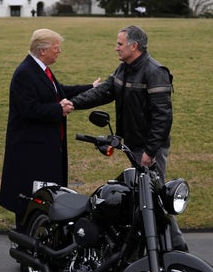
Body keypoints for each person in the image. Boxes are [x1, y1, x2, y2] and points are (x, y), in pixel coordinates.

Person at [64, 25, 186, 249]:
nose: (116, 48)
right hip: (133, 145)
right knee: (141, 194)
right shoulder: (124, 68)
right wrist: (74, 102)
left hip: (149, 149)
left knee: (156, 198)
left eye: (120, 44)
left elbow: (162, 117)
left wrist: (150, 152)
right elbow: (105, 91)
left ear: (134, 46)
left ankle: (176, 247)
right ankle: (143, 243)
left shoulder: (154, 72)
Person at [0, 28, 99, 228]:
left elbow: (60, 91)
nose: (59, 51)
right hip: (31, 151)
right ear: (42, 50)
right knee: (30, 200)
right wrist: (58, 109)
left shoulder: (40, 69)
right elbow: (28, 109)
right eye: (56, 48)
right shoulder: (25, 73)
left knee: (45, 198)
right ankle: (26, 245)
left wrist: (91, 88)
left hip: (45, 148)